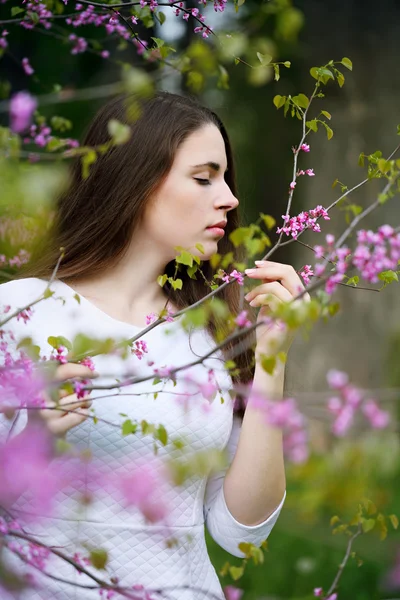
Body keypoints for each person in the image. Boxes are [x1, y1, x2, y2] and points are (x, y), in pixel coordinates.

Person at [0, 92, 308, 599]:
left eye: (226, 178)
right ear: (137, 180)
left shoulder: (214, 334)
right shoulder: (20, 314)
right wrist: (32, 435)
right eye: (205, 177)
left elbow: (241, 531)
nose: (230, 198)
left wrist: (273, 353)